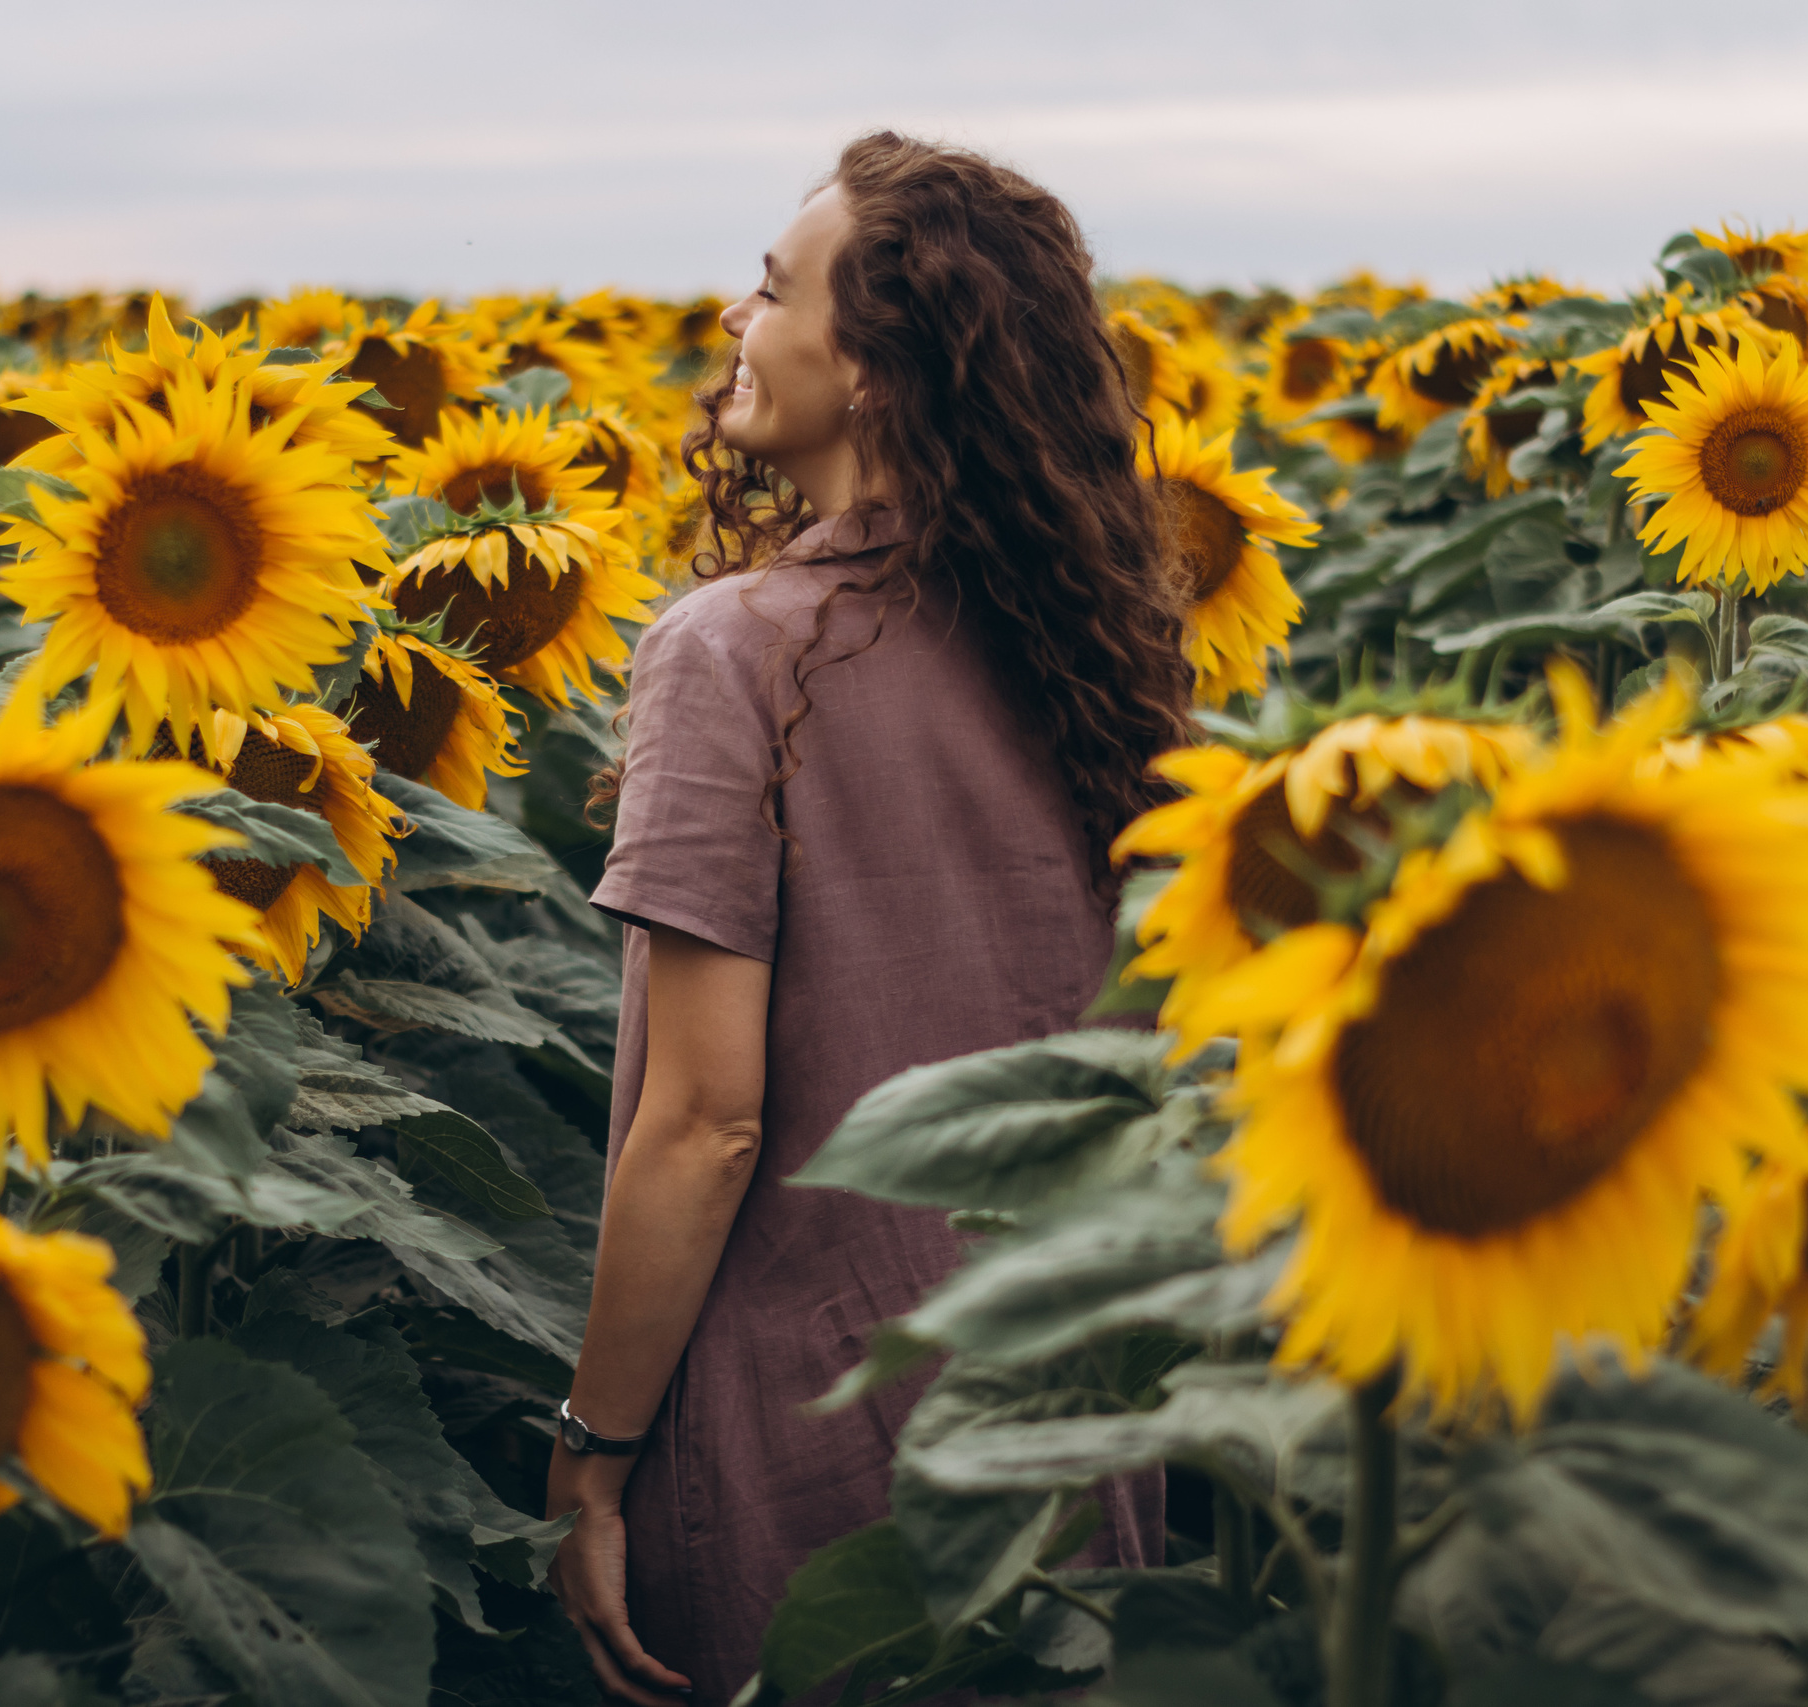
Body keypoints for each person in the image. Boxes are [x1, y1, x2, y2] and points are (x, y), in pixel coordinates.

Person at [545, 130, 1193, 1706]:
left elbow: (704, 1125)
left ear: (879, 372)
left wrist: (592, 1457)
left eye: (773, 291)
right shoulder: (1101, 661)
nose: (732, 322)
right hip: (1070, 1407)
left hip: (815, 1445)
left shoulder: (734, 653)